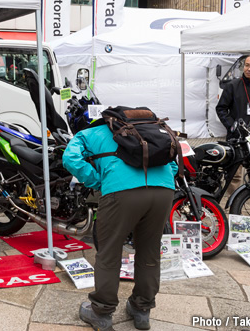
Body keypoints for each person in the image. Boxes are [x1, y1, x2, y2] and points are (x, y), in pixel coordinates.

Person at [63, 119, 177, 331]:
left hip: (120, 190)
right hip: (164, 190)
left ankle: (101, 312)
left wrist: (97, 181)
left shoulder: (89, 133)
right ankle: (142, 310)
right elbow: (172, 161)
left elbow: (70, 158)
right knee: (150, 252)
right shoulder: (149, 130)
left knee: (109, 252)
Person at [216, 54, 250, 138]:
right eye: (246, 65)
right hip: (238, 137)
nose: (249, 69)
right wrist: (232, 126)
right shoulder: (233, 86)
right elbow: (221, 108)